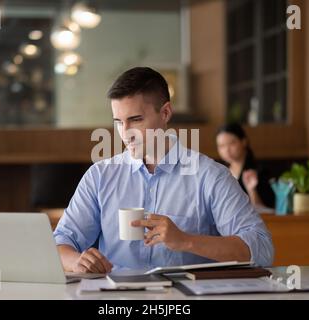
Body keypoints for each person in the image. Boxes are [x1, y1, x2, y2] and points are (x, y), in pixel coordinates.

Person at [54, 67, 273, 273]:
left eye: (135, 119)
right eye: (118, 122)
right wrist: (77, 261)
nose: (126, 132)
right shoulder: (99, 176)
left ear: (165, 113)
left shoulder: (210, 176)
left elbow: (262, 250)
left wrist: (186, 240)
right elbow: (60, 241)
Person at [215, 123, 275, 209]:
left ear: (244, 141)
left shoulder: (261, 172)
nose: (227, 150)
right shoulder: (220, 173)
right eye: (221, 146)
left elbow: (266, 211)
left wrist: (252, 190)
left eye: (231, 143)